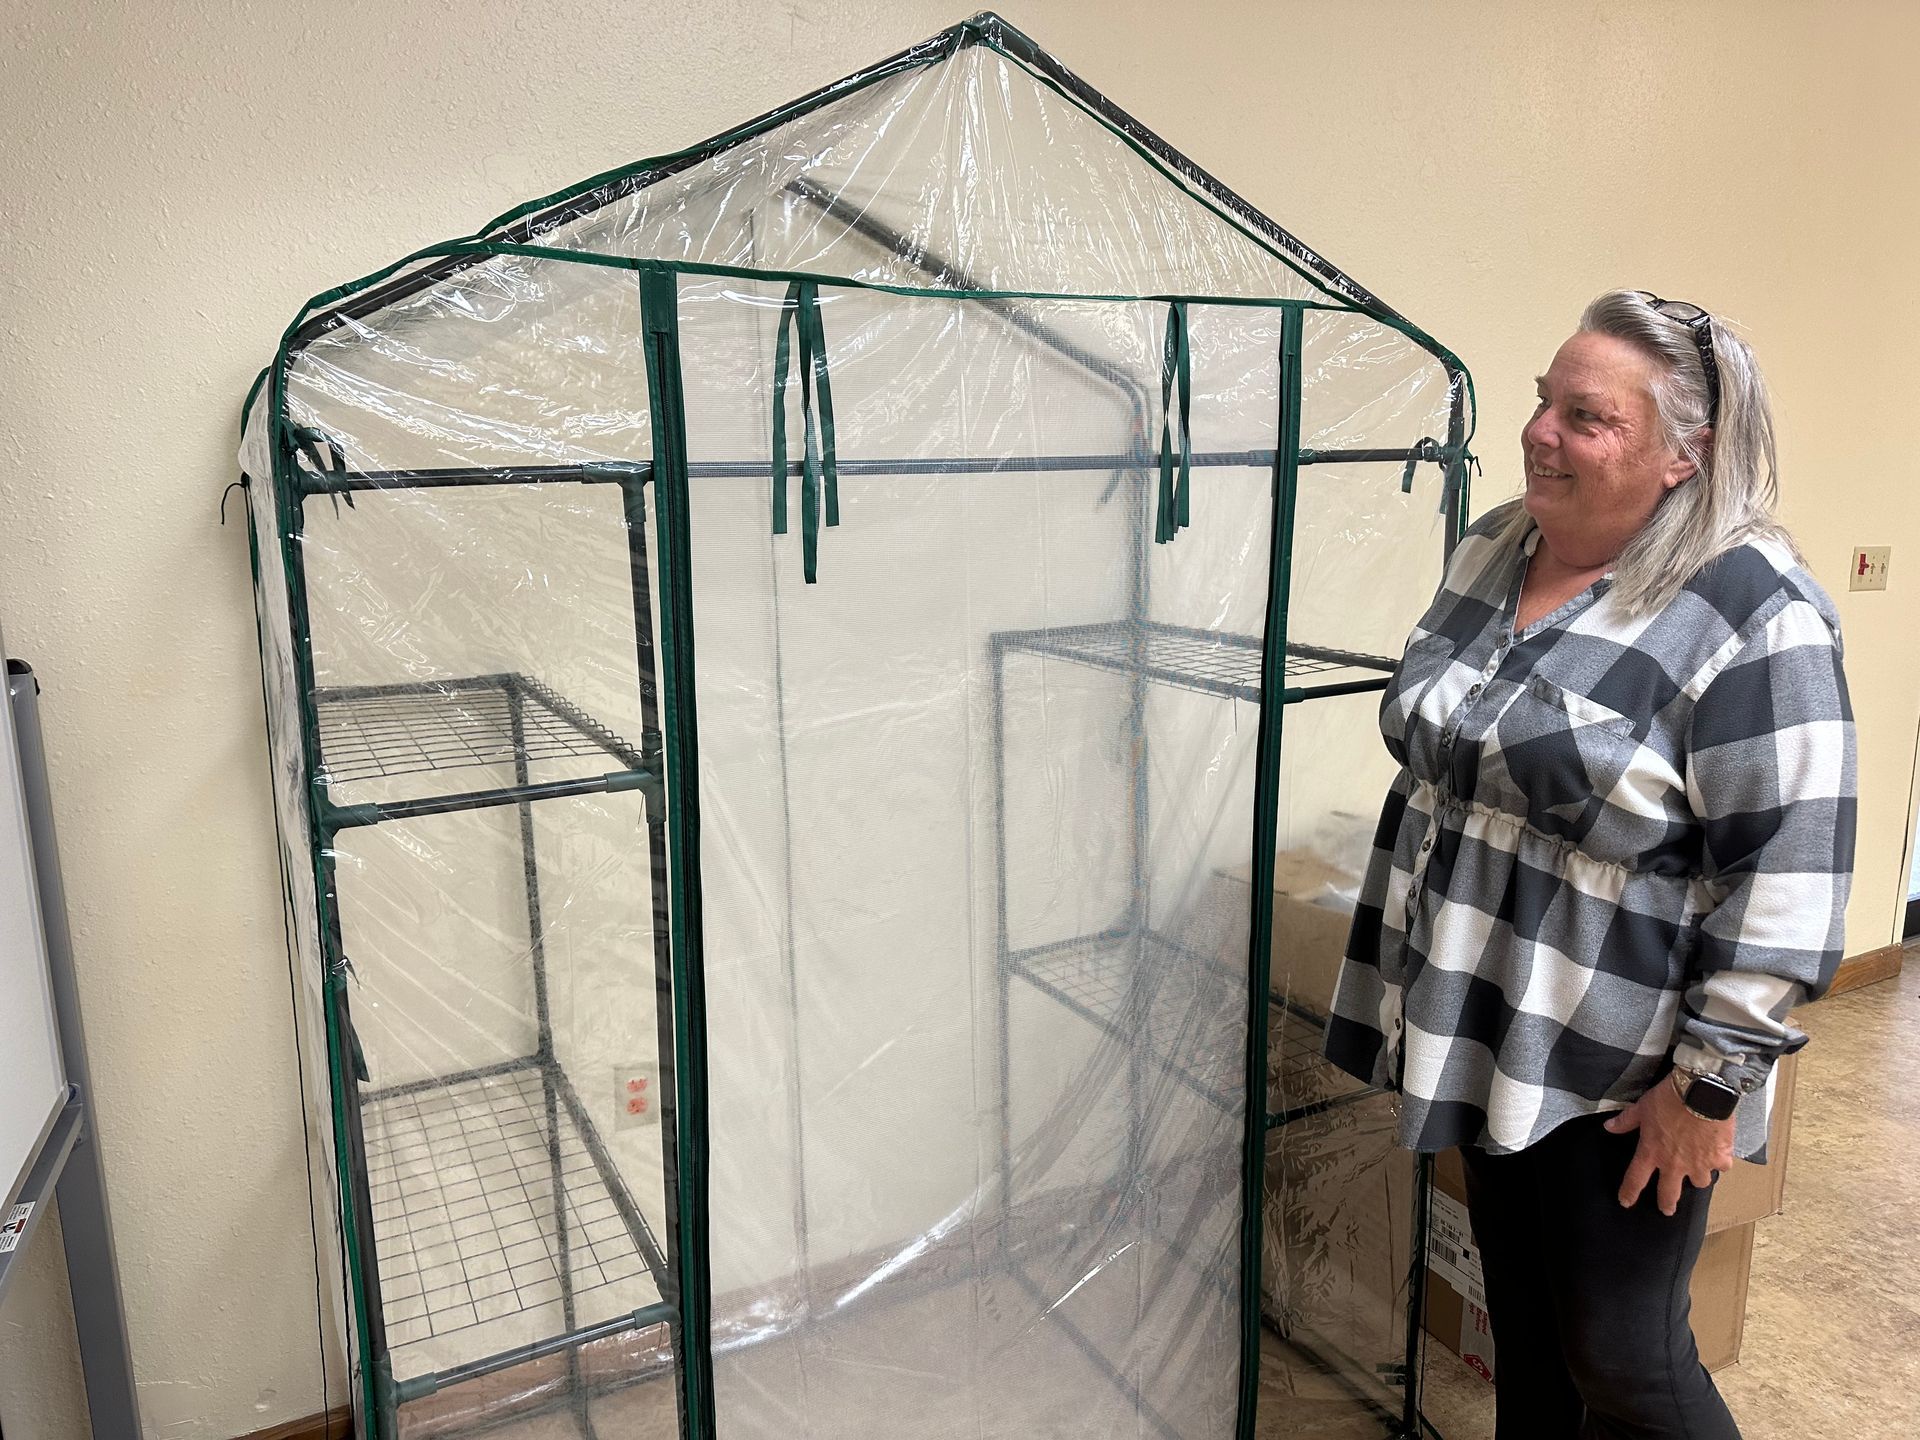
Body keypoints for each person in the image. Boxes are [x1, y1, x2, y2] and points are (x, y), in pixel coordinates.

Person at [1323, 289, 1857, 1439]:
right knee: (1525, 1322)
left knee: (1624, 1357)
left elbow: (1790, 876)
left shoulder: (1756, 613)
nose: (1540, 433)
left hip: (1624, 1062)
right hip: (1478, 1019)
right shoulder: (1494, 545)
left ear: (1683, 457)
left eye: (1586, 417)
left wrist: (1709, 1088)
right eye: (1540, 402)